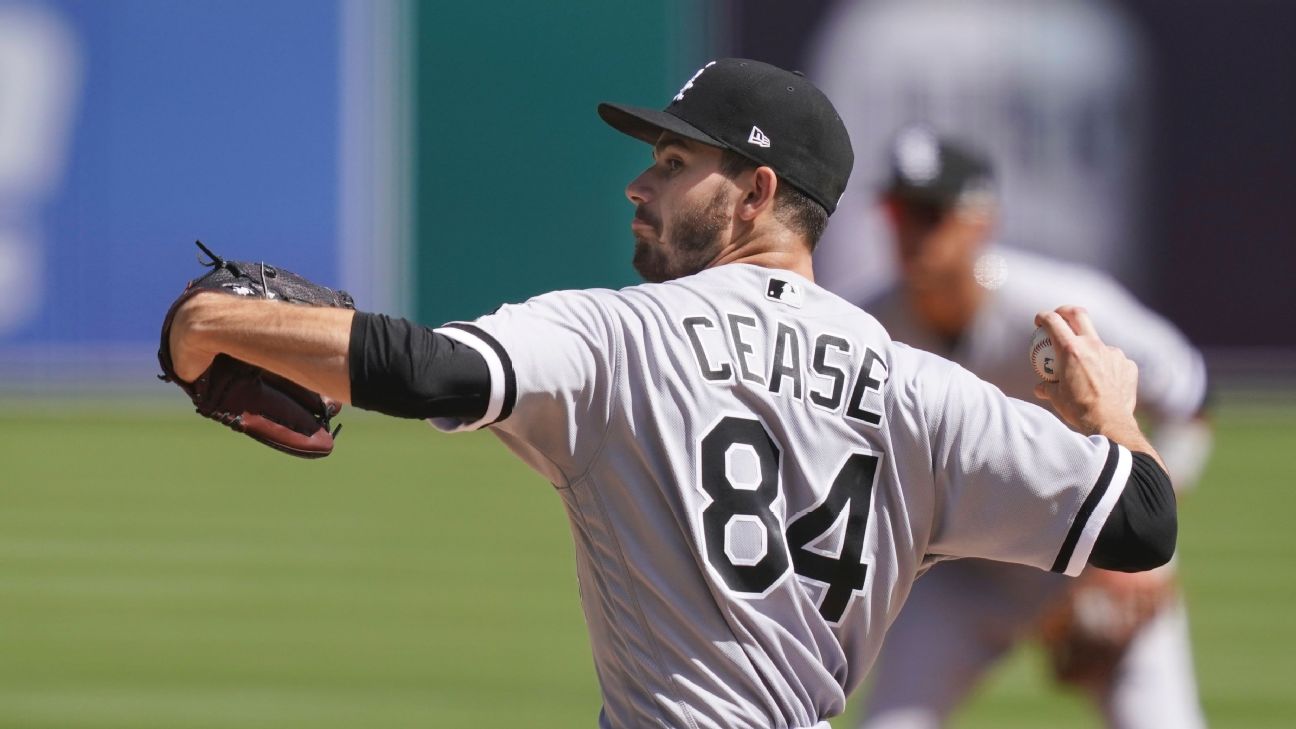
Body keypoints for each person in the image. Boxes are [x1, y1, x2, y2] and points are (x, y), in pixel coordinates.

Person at [164, 59, 1178, 729]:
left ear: (760, 193)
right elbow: (1140, 521)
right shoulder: (920, 390)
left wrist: (206, 325)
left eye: (674, 161)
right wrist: (1113, 413)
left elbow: (429, 369)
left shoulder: (618, 335)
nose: (637, 185)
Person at [854, 127, 1209, 729]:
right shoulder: (869, 326)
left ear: (980, 221)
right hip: (963, 573)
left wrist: (1146, 556)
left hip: (1097, 553)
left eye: (930, 212)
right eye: (898, 211)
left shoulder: (1054, 306)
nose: (911, 230)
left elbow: (1190, 397)